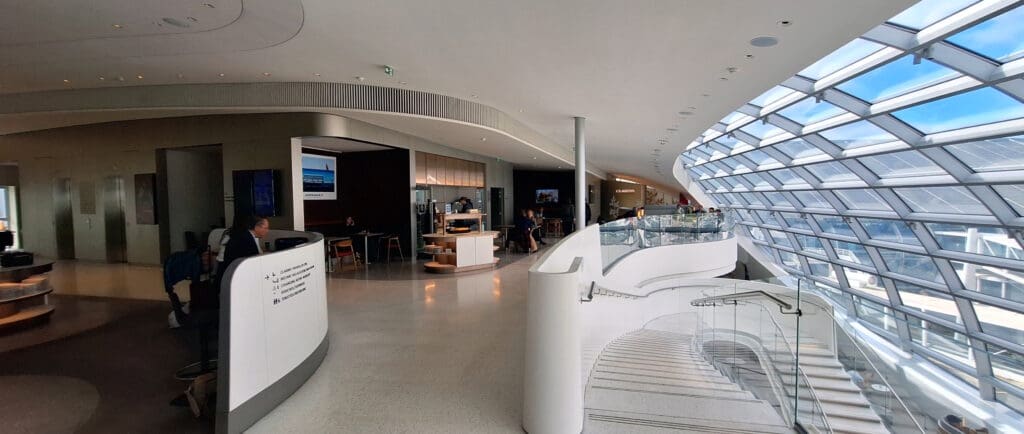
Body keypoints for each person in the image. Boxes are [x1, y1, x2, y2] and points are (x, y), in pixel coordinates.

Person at [217, 215, 269, 284]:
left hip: (228, 275)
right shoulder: (247, 240)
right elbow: (253, 265)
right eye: (265, 228)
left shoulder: (245, 236)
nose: (267, 231)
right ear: (256, 227)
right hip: (234, 279)